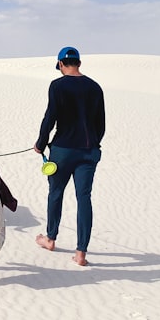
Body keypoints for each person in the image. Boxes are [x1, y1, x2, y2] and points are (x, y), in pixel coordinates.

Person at [33, 46, 105, 266]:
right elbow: (100, 124)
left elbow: (50, 117)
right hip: (88, 151)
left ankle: (51, 238)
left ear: (61, 65)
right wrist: (93, 143)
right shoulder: (95, 87)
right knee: (84, 198)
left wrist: (40, 143)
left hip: (62, 150)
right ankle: (81, 252)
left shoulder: (57, 86)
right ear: (79, 63)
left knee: (56, 192)